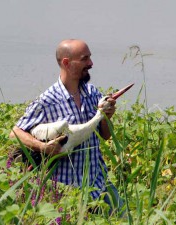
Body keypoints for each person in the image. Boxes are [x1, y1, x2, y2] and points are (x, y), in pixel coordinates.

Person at [9, 39, 124, 215]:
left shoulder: (92, 93)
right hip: (67, 192)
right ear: (66, 63)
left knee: (124, 216)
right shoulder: (48, 100)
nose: (91, 64)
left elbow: (105, 136)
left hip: (99, 185)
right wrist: (43, 147)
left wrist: (105, 117)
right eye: (85, 59)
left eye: (90, 58)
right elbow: (14, 132)